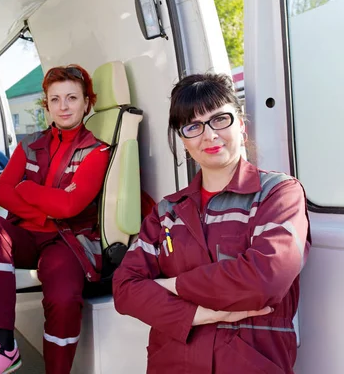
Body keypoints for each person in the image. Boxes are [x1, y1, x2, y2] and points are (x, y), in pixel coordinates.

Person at [113, 73, 311, 374]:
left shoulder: (278, 193)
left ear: (241, 124)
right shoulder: (167, 211)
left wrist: (170, 285)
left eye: (220, 119)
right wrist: (196, 314)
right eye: (193, 126)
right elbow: (125, 288)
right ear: (183, 141)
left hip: (250, 362)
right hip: (172, 362)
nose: (209, 135)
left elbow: (265, 278)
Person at [0, 64, 110, 374]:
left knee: (63, 300)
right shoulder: (29, 144)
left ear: (87, 103)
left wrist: (28, 188)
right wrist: (48, 207)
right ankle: (4, 346)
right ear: (46, 104)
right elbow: (1, 194)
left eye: (72, 98)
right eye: (55, 99)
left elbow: (71, 206)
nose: (64, 107)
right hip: (27, 236)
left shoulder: (97, 151)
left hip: (68, 241)